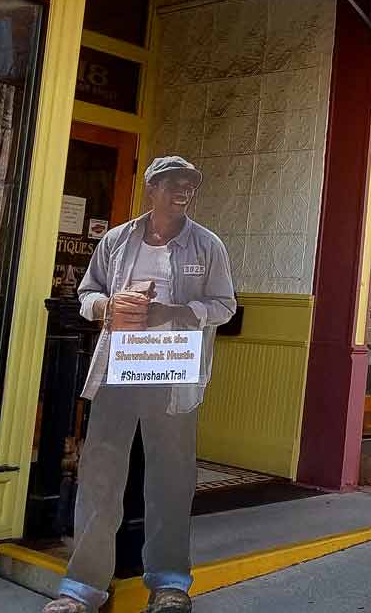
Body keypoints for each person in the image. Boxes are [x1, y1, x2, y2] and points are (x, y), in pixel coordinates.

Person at [44, 157, 236, 613]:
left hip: (174, 373)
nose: (183, 190)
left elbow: (225, 305)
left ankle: (170, 583)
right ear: (151, 187)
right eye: (172, 183)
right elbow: (87, 292)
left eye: (190, 184)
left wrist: (176, 313)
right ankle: (81, 589)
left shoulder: (207, 244)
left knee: (171, 478)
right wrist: (108, 305)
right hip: (118, 370)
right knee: (100, 477)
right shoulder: (116, 240)